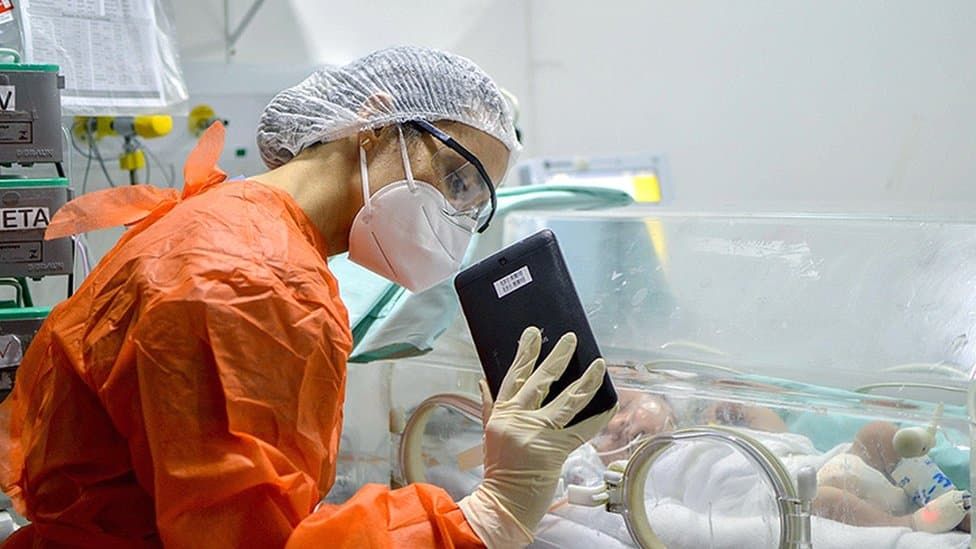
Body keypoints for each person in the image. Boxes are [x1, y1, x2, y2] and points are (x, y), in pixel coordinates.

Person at [0, 46, 614, 548]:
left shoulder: (224, 226)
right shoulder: (254, 278)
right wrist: (484, 515)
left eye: (474, 205)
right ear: (375, 124)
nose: (454, 214)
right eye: (455, 178)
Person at [584, 387, 970, 534]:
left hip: (819, 465)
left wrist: (748, 412)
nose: (619, 425)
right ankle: (910, 525)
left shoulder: (707, 425)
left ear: (664, 399)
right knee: (823, 500)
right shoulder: (637, 475)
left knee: (880, 435)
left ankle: (958, 508)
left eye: (624, 407)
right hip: (793, 498)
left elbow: (781, 435)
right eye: (602, 434)